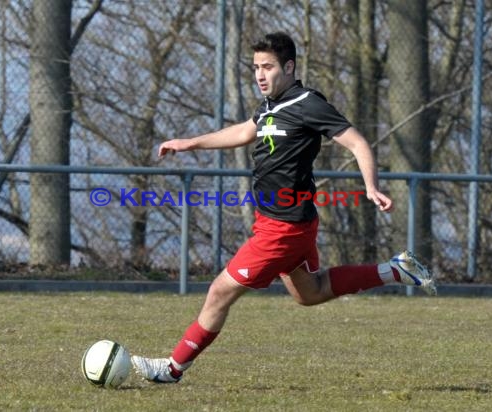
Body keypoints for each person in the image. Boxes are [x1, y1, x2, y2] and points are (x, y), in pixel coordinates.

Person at [131, 32, 436, 383]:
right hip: (287, 221)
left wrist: (371, 187)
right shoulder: (269, 105)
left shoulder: (308, 103)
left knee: (219, 292)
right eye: (256, 67)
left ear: (289, 67)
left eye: (268, 67)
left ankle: (172, 368)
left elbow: (357, 143)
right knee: (311, 293)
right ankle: (396, 270)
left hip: (283, 227)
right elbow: (244, 132)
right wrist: (189, 143)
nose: (260, 74)